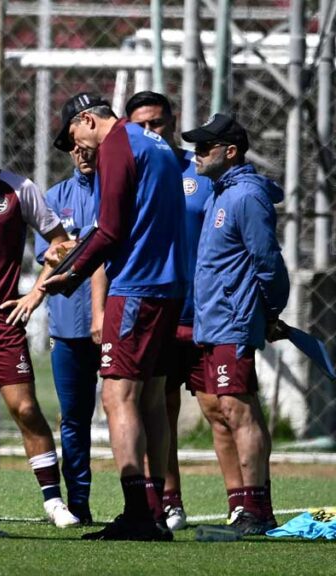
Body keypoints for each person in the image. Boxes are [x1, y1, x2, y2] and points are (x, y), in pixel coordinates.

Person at [44, 92, 187, 541]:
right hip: (168, 287)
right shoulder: (156, 144)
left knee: (116, 396)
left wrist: (71, 275)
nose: (77, 150)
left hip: (137, 287)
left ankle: (137, 515)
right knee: (152, 399)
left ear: (87, 120)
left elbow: (108, 229)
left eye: (74, 137)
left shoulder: (117, 145)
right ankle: (158, 508)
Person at [0, 107, 77, 528]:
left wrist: (35, 294)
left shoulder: (19, 189)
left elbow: (61, 244)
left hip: (4, 321)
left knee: (24, 409)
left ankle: (53, 501)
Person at [181, 113, 289, 535]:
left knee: (238, 410)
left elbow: (268, 262)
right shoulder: (217, 194)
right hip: (213, 321)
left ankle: (258, 511)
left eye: (205, 147)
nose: (197, 154)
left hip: (233, 321)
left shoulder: (246, 197)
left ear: (230, 152)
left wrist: (271, 311)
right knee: (223, 410)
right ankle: (245, 506)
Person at [125, 91, 216, 531]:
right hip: (156, 306)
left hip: (207, 309)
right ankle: (167, 500)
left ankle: (249, 506)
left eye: (158, 123)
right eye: (141, 124)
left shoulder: (200, 171)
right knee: (156, 405)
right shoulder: (132, 172)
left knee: (223, 407)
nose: (150, 132)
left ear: (173, 121)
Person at [34, 146, 103, 525]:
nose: (83, 154)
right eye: (76, 149)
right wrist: (76, 248)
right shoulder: (56, 197)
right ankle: (78, 501)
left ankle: (152, 502)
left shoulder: (118, 191)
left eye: (90, 148)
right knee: (73, 418)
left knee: (135, 410)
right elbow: (48, 254)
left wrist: (78, 248)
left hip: (114, 325)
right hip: (66, 326)